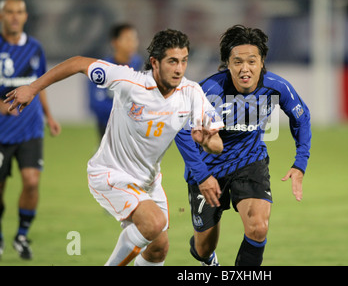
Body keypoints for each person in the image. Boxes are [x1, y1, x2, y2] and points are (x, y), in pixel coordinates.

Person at [4, 29, 224, 266]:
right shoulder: (130, 81)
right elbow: (78, 63)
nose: (179, 69)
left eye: (183, 61)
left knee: (159, 249)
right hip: (111, 173)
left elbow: (217, 145)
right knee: (153, 223)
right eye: (172, 61)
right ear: (154, 62)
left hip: (148, 182)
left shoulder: (191, 93)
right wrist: (33, 88)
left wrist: (205, 141)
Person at [175, 24, 311, 266]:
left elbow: (301, 117)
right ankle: (207, 258)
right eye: (237, 62)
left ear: (261, 62)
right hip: (208, 170)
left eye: (252, 61)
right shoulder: (208, 90)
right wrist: (201, 174)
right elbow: (182, 132)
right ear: (228, 64)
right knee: (203, 248)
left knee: (258, 227)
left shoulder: (275, 87)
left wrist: (299, 164)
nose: (245, 68)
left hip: (250, 162)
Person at [0, 0, 61, 260]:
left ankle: (22, 235)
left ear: (25, 16)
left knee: (32, 181)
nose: (15, 16)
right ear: (2, 16)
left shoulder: (35, 48)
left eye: (20, 12)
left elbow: (38, 85)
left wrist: (49, 116)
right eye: (10, 12)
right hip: (1, 132)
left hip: (30, 128)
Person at [88, 23, 143, 140]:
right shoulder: (102, 70)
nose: (132, 43)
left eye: (134, 39)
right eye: (127, 39)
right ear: (115, 42)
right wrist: (128, 112)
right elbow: (96, 104)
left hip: (136, 129)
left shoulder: (141, 66)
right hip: (108, 127)